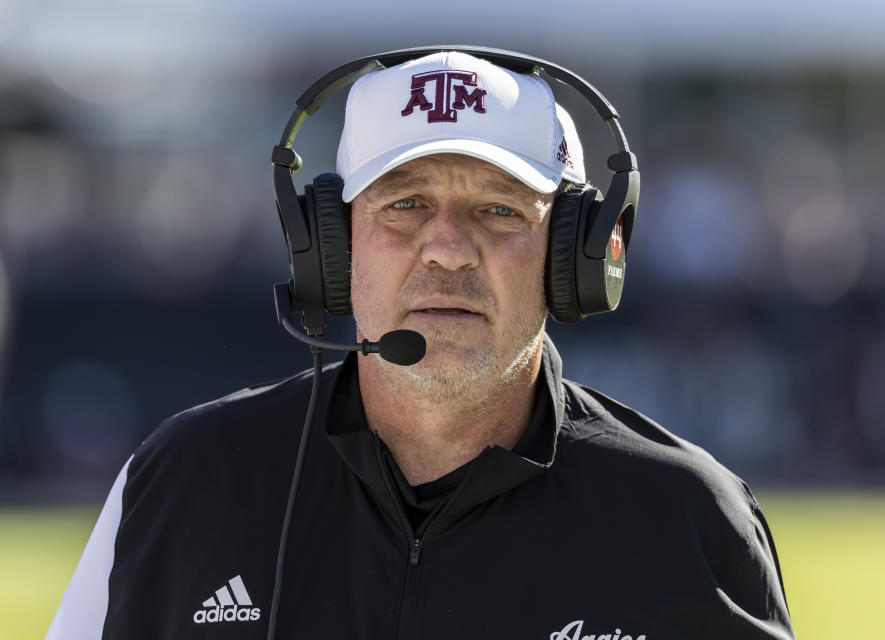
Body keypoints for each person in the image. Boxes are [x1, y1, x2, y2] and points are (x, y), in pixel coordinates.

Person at [47, 49, 795, 640]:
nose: (448, 249)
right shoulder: (182, 484)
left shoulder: (689, 520)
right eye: (404, 205)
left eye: (499, 210)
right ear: (329, 249)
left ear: (575, 256)